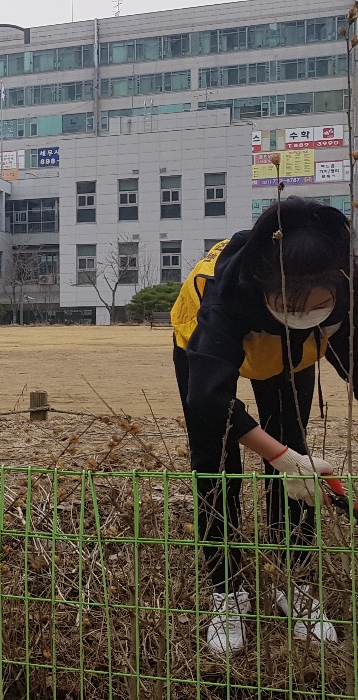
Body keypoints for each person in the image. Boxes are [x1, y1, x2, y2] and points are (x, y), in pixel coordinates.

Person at [171, 197, 352, 654]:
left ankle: (295, 583)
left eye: (319, 304)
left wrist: (292, 458)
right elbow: (208, 396)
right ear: (266, 289)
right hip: (206, 349)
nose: (303, 313)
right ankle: (227, 592)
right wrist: (280, 457)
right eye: (288, 304)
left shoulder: (348, 286)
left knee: (299, 464)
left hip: (292, 357)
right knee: (216, 467)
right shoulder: (228, 293)